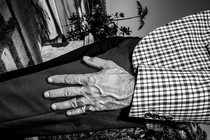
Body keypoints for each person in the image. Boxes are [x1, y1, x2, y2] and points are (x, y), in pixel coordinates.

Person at [44, 10, 210, 124]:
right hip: (131, 47)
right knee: (32, 75)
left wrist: (133, 90)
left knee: (27, 97)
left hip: (127, 81)